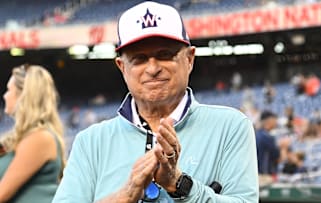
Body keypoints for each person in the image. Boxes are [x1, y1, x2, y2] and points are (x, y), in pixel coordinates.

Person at [53, 1, 258, 202]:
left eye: (165, 55)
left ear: (189, 59)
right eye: (139, 59)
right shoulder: (90, 142)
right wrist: (126, 195)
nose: (152, 69)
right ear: (122, 67)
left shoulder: (230, 127)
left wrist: (181, 185)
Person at [0, 64, 66, 202]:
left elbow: (2, 193)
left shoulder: (40, 138)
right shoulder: (21, 138)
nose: (4, 96)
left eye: (8, 90)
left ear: (23, 95)